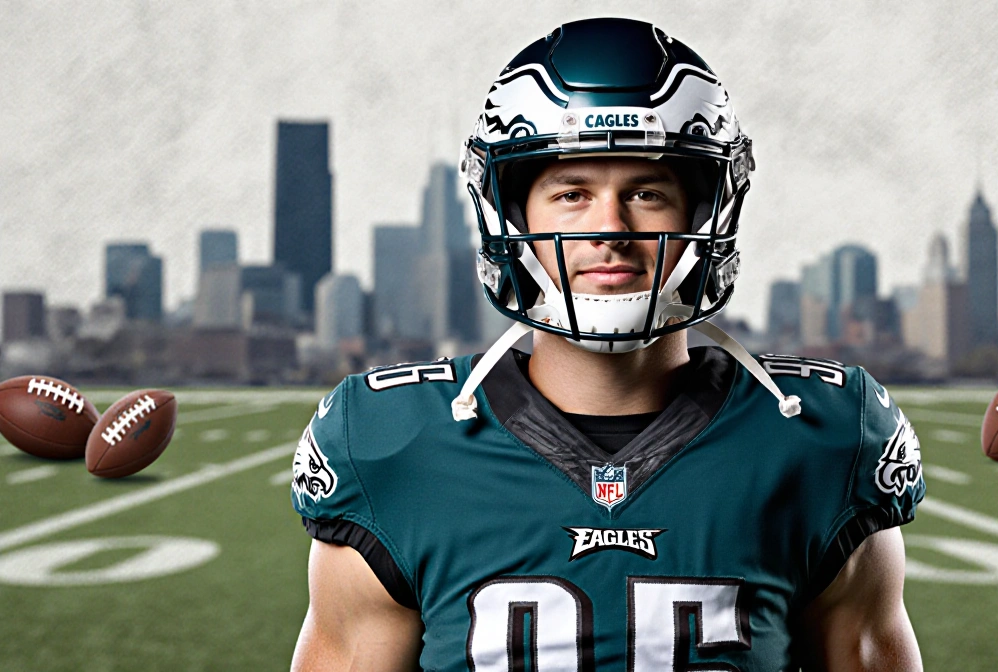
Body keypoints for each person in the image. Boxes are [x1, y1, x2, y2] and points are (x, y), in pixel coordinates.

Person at [290, 17, 925, 672]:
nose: (610, 229)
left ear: (705, 215)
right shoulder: (392, 445)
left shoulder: (823, 438)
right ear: (513, 220)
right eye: (571, 193)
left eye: (647, 193)